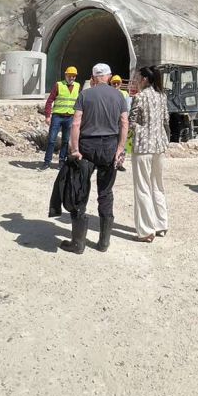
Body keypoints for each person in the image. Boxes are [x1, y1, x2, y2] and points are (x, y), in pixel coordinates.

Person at [62, 63, 129, 254]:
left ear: (93, 77)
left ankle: (78, 243)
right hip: (109, 147)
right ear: (108, 77)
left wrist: (75, 149)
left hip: (87, 146)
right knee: (105, 193)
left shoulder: (85, 94)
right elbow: (124, 123)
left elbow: (76, 123)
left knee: (80, 190)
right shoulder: (119, 95)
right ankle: (103, 243)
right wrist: (120, 149)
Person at [129, 67, 170, 242]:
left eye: (138, 77)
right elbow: (166, 120)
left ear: (145, 79)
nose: (136, 79)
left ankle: (146, 230)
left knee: (142, 188)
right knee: (157, 186)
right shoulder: (162, 96)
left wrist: (136, 131)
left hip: (143, 146)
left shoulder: (139, 97)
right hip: (159, 146)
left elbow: (131, 122)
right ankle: (161, 223)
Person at [42, 66, 80, 170]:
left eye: (74, 76)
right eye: (70, 75)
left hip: (69, 117)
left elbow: (79, 103)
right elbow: (49, 101)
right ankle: (47, 162)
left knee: (65, 140)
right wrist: (47, 116)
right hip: (57, 116)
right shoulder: (59, 85)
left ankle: (62, 162)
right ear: (66, 75)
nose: (72, 78)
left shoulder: (77, 86)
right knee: (51, 139)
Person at [111, 74, 131, 171]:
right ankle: (111, 162)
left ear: (120, 84)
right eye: (114, 83)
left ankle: (119, 163)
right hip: (111, 121)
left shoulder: (125, 94)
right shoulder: (109, 93)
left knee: (123, 142)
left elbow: (128, 108)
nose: (115, 85)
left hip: (121, 121)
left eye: (117, 83)